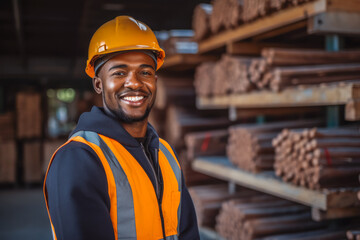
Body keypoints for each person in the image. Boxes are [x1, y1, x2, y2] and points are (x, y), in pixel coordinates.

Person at [43, 16, 200, 240]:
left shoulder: (165, 154)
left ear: (155, 81)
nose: (134, 82)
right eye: (119, 73)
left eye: (145, 72)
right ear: (98, 84)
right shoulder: (79, 159)